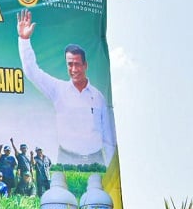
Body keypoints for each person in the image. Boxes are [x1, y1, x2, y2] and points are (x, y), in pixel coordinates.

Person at [17, 9, 118, 166]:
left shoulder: (98, 97)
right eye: (70, 64)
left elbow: (108, 140)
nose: (73, 69)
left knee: (98, 192)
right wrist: (24, 40)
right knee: (56, 192)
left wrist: (111, 168)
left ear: (85, 65)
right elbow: (32, 71)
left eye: (77, 64)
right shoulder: (59, 90)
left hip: (95, 161)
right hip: (66, 160)